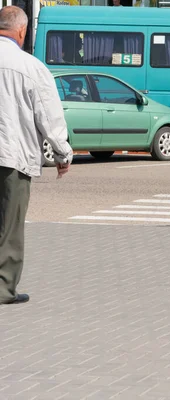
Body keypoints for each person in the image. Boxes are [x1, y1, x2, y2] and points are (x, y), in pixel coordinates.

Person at [0, 6, 73, 305]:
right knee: (10, 227)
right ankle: (4, 288)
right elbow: (49, 116)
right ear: (22, 31)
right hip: (13, 158)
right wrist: (62, 154)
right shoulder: (31, 67)